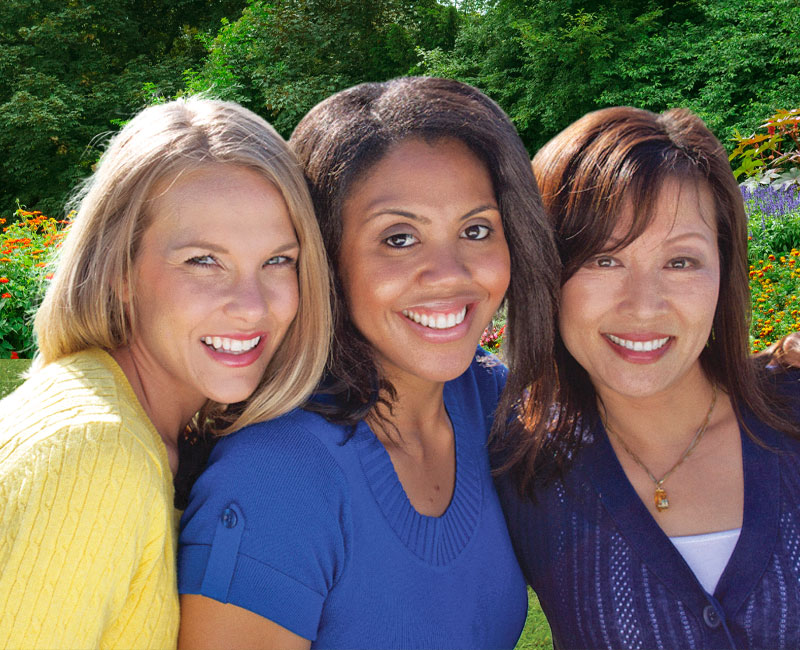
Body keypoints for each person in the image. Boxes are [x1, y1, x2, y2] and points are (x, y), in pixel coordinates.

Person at [177, 77, 561, 649]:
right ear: (327, 260)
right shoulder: (275, 479)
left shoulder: (486, 400)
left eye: (476, 230)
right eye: (399, 238)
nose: (452, 274)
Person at [0, 98, 330, 648]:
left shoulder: (138, 428)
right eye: (203, 260)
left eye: (278, 260)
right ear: (117, 270)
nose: (252, 306)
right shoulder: (93, 455)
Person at [495, 106, 800, 649]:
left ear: (724, 271)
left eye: (681, 261)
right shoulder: (520, 468)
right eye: (603, 260)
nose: (643, 306)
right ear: (545, 272)